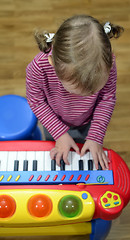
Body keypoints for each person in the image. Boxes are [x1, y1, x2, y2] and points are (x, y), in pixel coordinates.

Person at [26, 15, 124, 170]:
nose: (86, 98)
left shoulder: (107, 65)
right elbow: (36, 101)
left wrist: (96, 136)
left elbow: (107, 98)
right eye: (75, 91)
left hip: (87, 122)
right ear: (53, 64)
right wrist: (59, 134)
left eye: (93, 91)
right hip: (54, 120)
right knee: (59, 148)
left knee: (84, 148)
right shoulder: (38, 67)